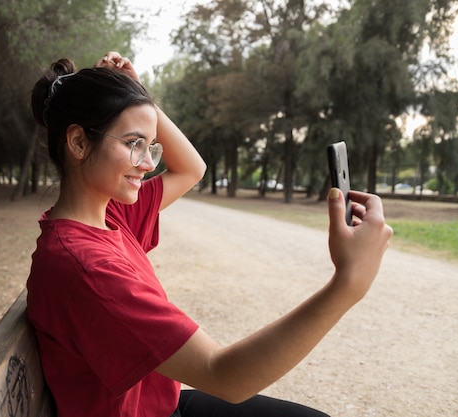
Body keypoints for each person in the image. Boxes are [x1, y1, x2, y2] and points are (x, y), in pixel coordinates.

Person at [26, 51, 393, 417]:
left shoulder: (110, 214)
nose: (149, 163)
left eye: (150, 146)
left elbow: (191, 168)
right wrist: (349, 284)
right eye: (133, 143)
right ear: (77, 143)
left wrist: (138, 96)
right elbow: (224, 376)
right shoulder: (87, 268)